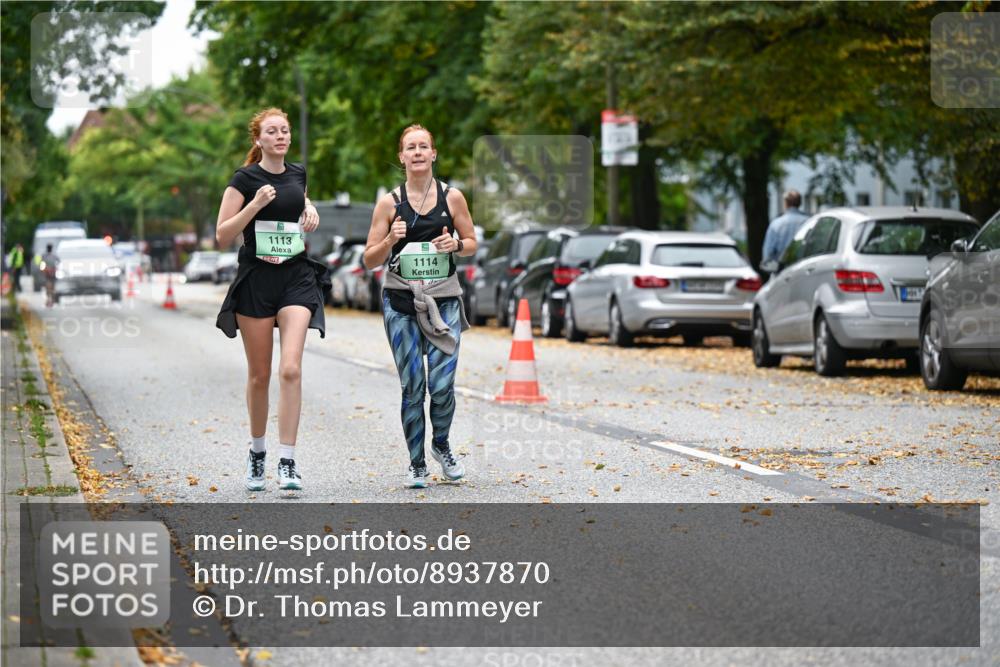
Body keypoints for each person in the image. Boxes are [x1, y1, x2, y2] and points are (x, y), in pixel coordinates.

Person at [214, 107, 330, 492]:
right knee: (260, 375)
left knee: (291, 369)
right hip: (257, 280)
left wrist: (309, 208)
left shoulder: (297, 173)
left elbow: (298, 200)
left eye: (285, 131)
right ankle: (257, 453)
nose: (280, 136)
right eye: (272, 131)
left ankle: (288, 462)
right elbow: (223, 234)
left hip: (295, 276)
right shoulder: (244, 179)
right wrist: (255, 205)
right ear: (258, 140)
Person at [363, 124, 477, 488]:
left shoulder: (452, 198)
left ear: (433, 154)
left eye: (423, 146)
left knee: (442, 385)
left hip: (443, 302)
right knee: (413, 386)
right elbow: (368, 259)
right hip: (401, 303)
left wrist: (456, 246)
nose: (416, 152)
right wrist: (389, 240)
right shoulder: (389, 203)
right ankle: (416, 464)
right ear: (401, 156)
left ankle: (441, 445)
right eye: (410, 147)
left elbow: (472, 240)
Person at [761, 190, 809, 269]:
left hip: (781, 270)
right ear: (800, 203)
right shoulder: (809, 221)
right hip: (804, 269)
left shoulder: (776, 224)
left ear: (786, 203)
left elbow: (768, 252)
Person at [40, 244, 59, 308]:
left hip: (52, 273)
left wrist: (55, 269)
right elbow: (42, 265)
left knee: (51, 288)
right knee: (49, 287)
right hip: (47, 273)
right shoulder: (46, 256)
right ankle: (49, 300)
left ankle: (52, 300)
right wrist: (45, 270)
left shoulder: (52, 256)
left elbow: (58, 263)